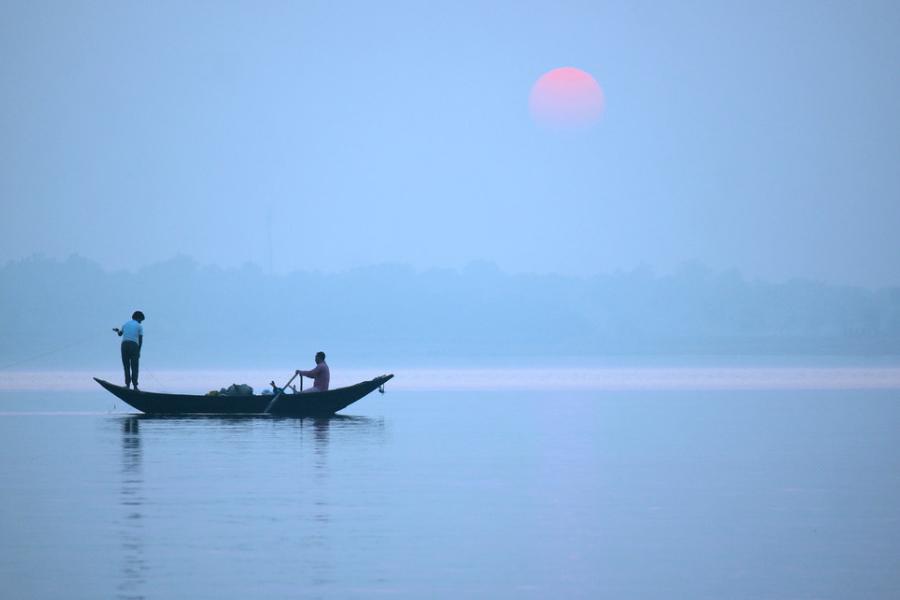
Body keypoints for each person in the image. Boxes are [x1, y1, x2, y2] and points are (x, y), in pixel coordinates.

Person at [113, 311, 145, 390]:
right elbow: (140, 340)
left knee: (126, 366)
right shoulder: (139, 326)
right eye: (141, 320)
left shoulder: (125, 324)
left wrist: (117, 331)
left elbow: (120, 334)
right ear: (138, 318)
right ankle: (135, 386)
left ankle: (127, 385)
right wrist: (139, 351)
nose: (141, 322)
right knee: (134, 366)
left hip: (124, 345)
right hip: (133, 345)